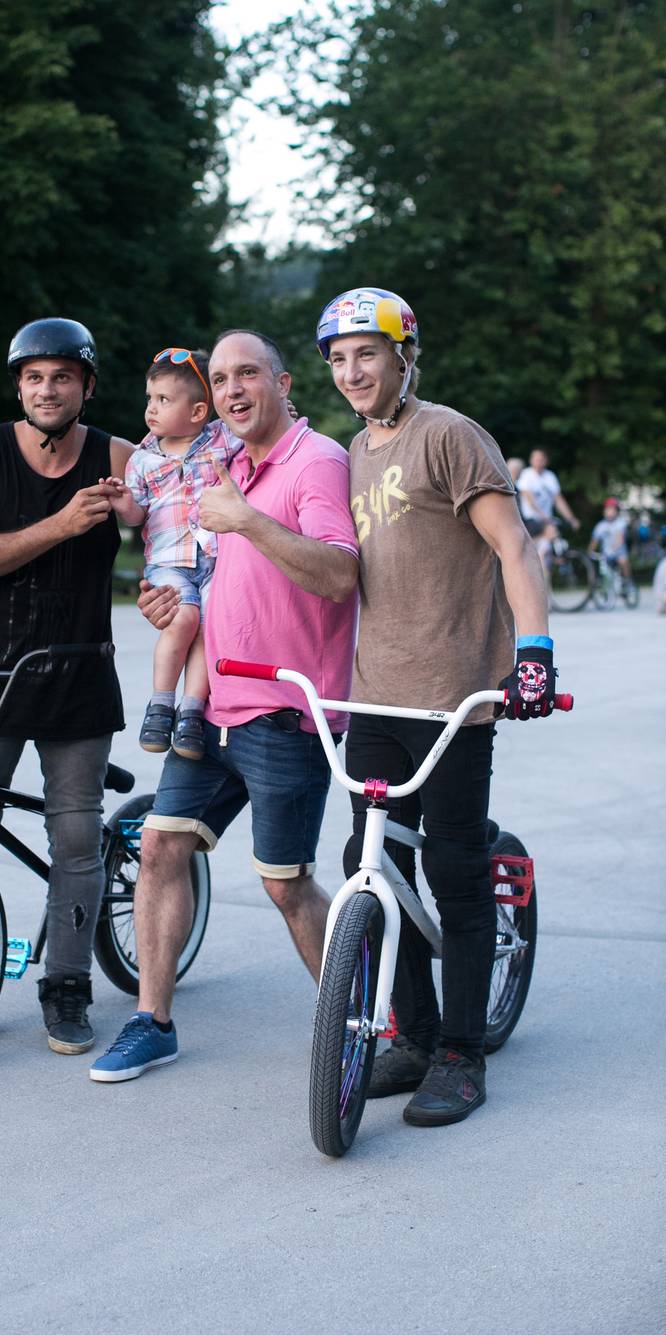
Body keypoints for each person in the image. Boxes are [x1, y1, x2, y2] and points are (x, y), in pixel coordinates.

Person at [90, 329, 359, 1083]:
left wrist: (248, 519)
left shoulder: (317, 461)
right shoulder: (224, 462)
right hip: (210, 705)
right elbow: (204, 566)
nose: (234, 387)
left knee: (284, 882)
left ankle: (362, 1021)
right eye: (221, 376)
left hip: (284, 711)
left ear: (283, 381)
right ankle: (153, 1021)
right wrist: (169, 605)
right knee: (159, 846)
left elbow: (339, 574)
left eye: (248, 373)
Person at [315, 286, 556, 1127]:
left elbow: (513, 546)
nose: (353, 372)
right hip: (376, 692)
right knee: (369, 859)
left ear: (403, 355)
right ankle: (412, 1036)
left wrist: (533, 654)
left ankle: (460, 1051)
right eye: (339, 359)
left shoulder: (448, 435)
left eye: (367, 354)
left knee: (453, 868)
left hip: (457, 693)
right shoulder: (352, 451)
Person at [0, 317, 135, 1056]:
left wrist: (164, 564)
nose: (47, 389)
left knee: (76, 835)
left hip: (79, 677)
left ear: (86, 385)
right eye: (34, 377)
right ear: (18, 385)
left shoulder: (117, 454)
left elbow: (177, 524)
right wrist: (61, 524)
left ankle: (68, 985)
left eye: (62, 376)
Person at [102, 347, 242, 763]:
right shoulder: (142, 460)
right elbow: (136, 516)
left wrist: (282, 408)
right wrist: (121, 501)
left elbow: (259, 430)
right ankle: (161, 704)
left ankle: (192, 711)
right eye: (150, 398)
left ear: (199, 411)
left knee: (211, 624)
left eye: (163, 400)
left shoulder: (220, 438)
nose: (151, 408)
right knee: (184, 617)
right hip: (168, 561)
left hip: (216, 556)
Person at [517, 448, 580, 562]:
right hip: (531, 519)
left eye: (540, 460)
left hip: (546, 520)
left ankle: (549, 560)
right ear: (531, 461)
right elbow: (530, 500)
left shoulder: (550, 477)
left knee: (551, 542)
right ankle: (528, 550)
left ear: (545, 461)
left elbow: (558, 500)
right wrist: (543, 516)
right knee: (551, 531)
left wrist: (571, 518)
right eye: (536, 459)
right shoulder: (527, 475)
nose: (538, 462)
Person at [588, 497, 631, 578]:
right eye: (608, 509)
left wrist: (615, 548)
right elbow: (594, 542)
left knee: (623, 560)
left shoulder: (620, 523)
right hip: (605, 555)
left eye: (612, 509)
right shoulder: (600, 526)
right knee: (600, 566)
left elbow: (620, 538)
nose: (610, 511)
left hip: (618, 553)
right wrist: (590, 552)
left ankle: (628, 581)